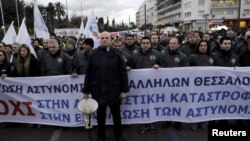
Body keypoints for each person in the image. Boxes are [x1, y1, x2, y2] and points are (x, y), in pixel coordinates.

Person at [82, 31, 129, 141]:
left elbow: (123, 73)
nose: (104, 40)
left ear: (110, 39)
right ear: (99, 39)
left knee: (116, 115)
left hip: (115, 90)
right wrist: (86, 91)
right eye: (102, 38)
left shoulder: (117, 54)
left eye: (106, 38)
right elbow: (88, 73)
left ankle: (118, 135)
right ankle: (101, 136)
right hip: (98, 90)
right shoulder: (93, 54)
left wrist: (124, 90)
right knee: (100, 116)